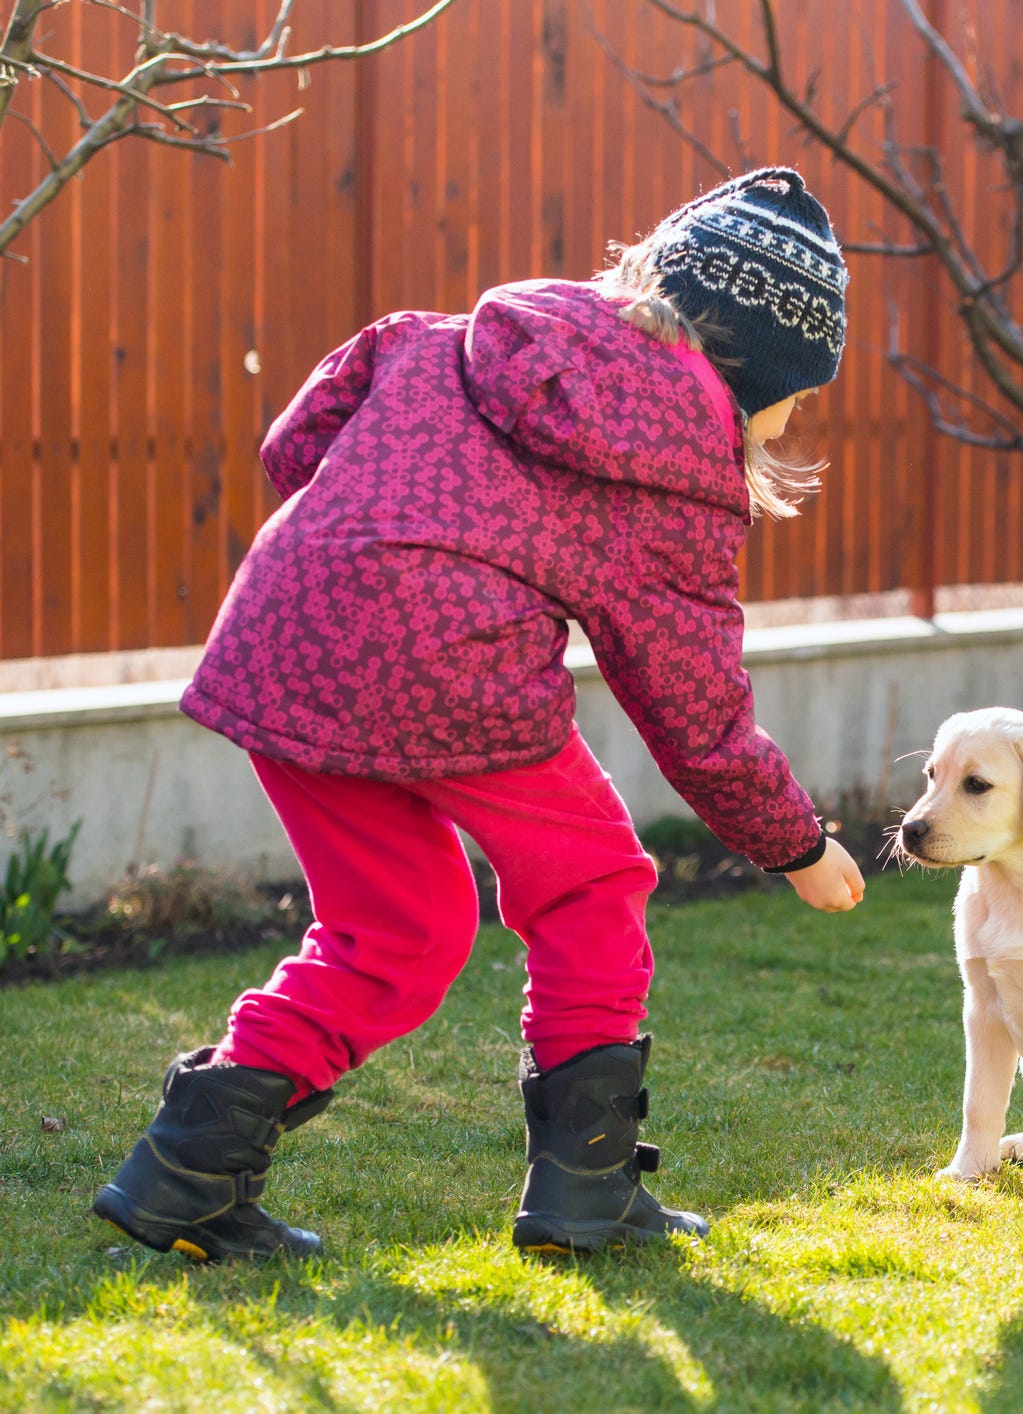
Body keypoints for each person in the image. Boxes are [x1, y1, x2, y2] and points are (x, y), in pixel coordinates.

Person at [92, 168, 866, 1261]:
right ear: (761, 370)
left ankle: (182, 1173)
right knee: (591, 882)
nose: (795, 417)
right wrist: (796, 844)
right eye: (802, 392)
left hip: (290, 634)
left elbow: (293, 447)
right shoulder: (682, 462)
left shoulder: (449, 335)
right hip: (452, 663)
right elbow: (693, 707)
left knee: (397, 932)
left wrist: (378, 533)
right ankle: (583, 1191)